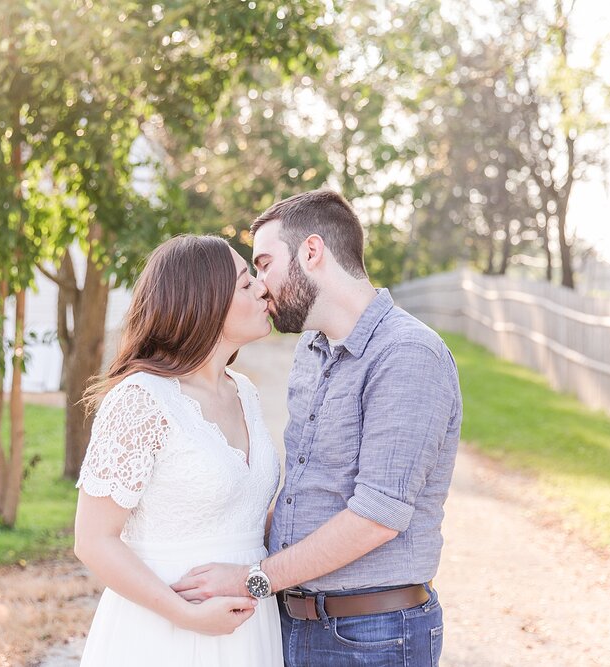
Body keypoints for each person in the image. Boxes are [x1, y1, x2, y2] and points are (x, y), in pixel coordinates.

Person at [171, 190, 463, 666]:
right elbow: (304, 495)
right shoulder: (311, 351)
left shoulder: (407, 354)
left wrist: (253, 577)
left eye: (264, 264)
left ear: (311, 251)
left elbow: (376, 515)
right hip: (292, 623)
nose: (260, 285)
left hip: (373, 636)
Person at [73, 235, 284, 666]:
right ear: (204, 303)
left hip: (250, 627)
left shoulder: (244, 391)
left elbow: (242, 513)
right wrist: (186, 616)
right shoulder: (141, 399)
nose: (263, 288)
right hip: (165, 630)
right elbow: (93, 541)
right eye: (245, 284)